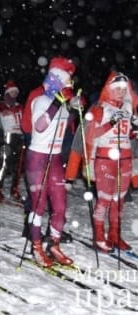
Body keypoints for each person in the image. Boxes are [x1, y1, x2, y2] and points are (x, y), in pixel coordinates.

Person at [24, 57, 78, 267]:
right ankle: (36, 246)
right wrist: (57, 101)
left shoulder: (61, 104)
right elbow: (39, 125)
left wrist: (75, 108)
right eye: (64, 81)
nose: (68, 86)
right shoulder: (40, 100)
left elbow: (64, 123)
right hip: (37, 158)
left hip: (54, 158)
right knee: (38, 206)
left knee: (60, 206)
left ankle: (54, 244)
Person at [84, 72, 136, 252]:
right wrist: (111, 122)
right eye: (118, 89)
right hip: (106, 159)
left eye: (124, 89)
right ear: (109, 89)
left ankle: (115, 234)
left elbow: (129, 134)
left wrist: (134, 128)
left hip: (125, 159)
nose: (121, 93)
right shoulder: (100, 108)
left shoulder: (128, 109)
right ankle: (99, 236)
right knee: (104, 200)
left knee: (119, 201)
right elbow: (91, 136)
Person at [0, 80, 24, 201]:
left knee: (18, 166)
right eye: (12, 92)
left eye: (15, 92)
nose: (14, 94)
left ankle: (15, 190)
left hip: (19, 137)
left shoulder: (20, 107)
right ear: (7, 93)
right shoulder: (0, 106)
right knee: (4, 164)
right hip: (7, 137)